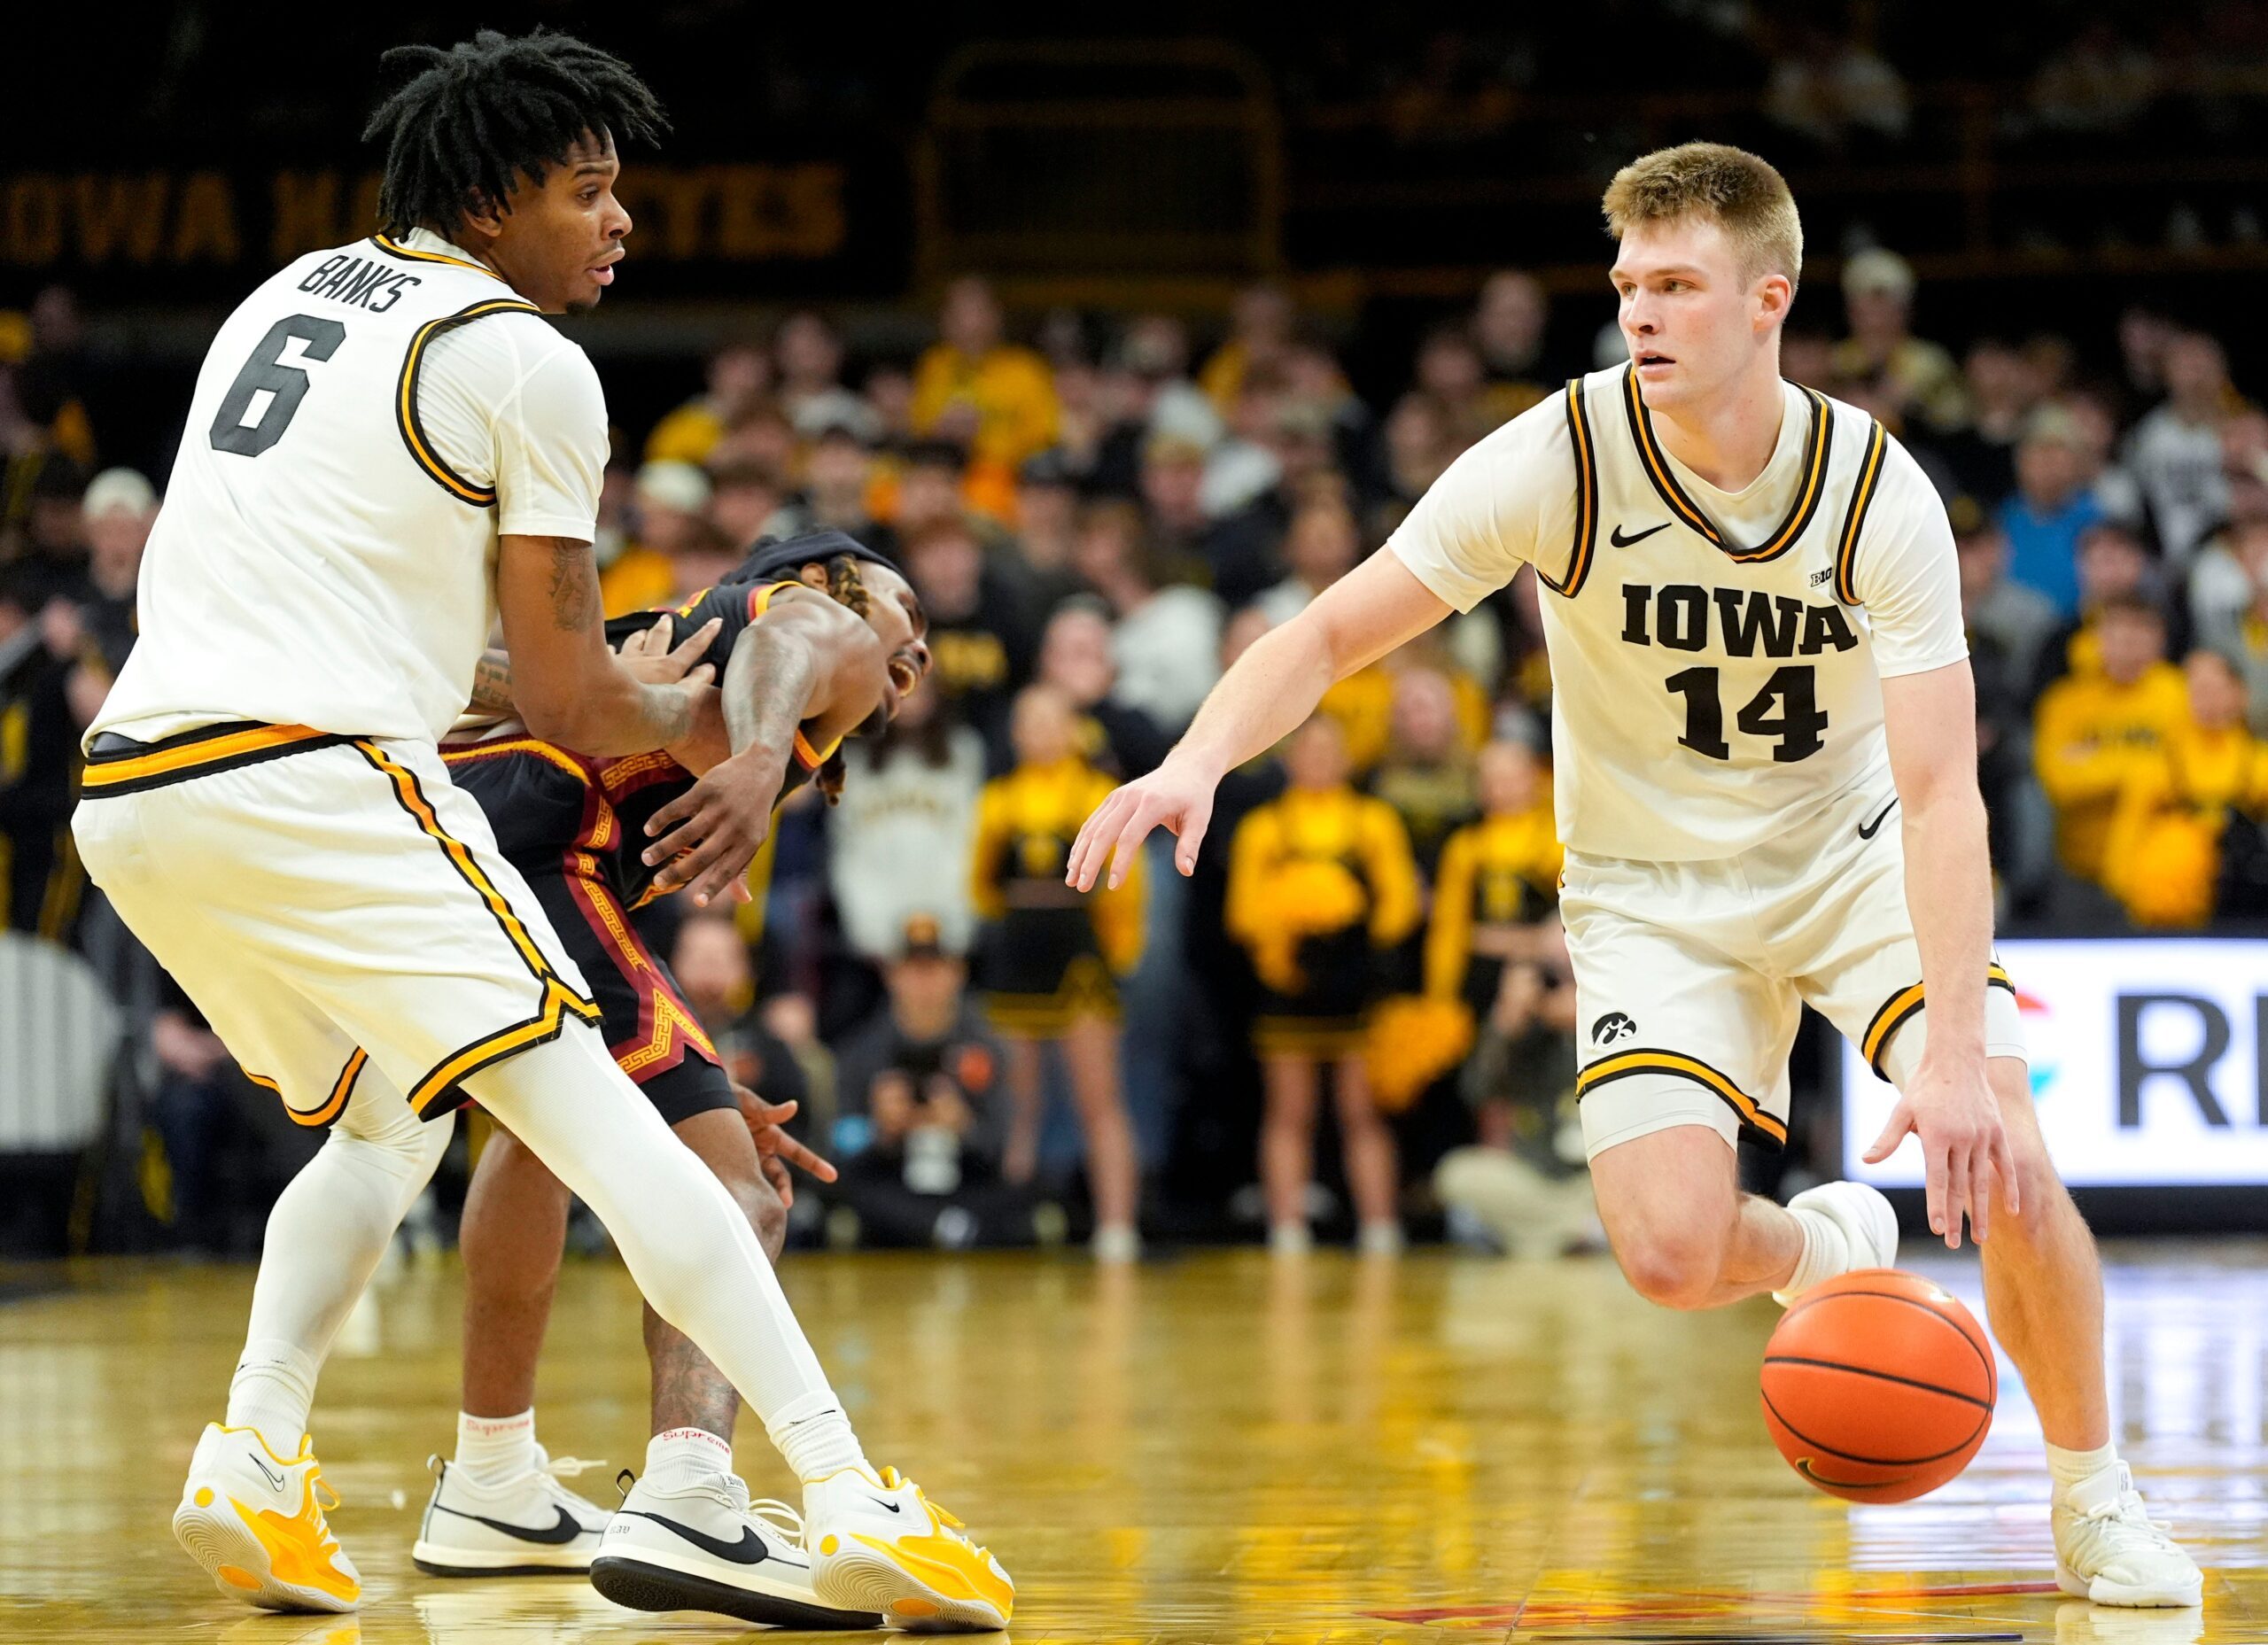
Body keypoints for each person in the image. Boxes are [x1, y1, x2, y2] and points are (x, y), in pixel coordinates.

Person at [1070, 141, 2198, 1607]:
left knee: (2016, 1164)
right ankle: (1825, 1239)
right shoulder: (1566, 456)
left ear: (1768, 301)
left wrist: (1966, 1056)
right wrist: (1196, 756)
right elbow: (1335, 633)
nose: (1640, 315)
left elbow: (1938, 791)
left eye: (1675, 285)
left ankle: (2095, 1496)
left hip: (1851, 857)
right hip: (1650, 888)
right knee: (1670, 1254)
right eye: (1626, 286)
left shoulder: (1876, 489)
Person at [68, 30, 1007, 1628]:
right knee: (630, 1148)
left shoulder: (281, 298)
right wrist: (679, 713)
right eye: (588, 190)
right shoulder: (521, 360)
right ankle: (837, 1495)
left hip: (142, 786)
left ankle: (260, 1454)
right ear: (496, 197)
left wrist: (577, 688)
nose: (618, 221)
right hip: (320, 781)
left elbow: (415, 638)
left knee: (386, 1122)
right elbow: (580, 699)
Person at [420, 532, 929, 1626]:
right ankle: (691, 1489)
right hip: (544, 848)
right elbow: (799, 639)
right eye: (903, 608)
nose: (916, 648)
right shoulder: (800, 619)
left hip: (445, 844)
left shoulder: (661, 641)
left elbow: (461, 673)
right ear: (834, 578)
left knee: (535, 1134)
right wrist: (754, 758)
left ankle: (489, 1477)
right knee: (733, 1193)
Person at [1223, 713, 1419, 1256]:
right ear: (1289, 760)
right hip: (1287, 986)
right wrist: (1286, 945)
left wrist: (1352, 935)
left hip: (1355, 986)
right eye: (1307, 750)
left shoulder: (1373, 821)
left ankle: (1380, 1228)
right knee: (1289, 1112)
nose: (1318, 760)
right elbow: (1243, 911)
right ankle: (1286, 1228)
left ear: (1347, 758)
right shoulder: (1264, 827)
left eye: (1329, 749)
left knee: (1363, 1112)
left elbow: (1399, 903)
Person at [969, 684, 1144, 1259]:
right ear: (1015, 733)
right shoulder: (998, 800)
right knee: (1018, 1100)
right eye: (1029, 721)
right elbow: (982, 887)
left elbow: (1126, 891)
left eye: (1052, 720)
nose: (1040, 733)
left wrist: (1113, 955)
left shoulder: (1099, 795)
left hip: (1080, 953)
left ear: (1073, 729)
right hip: (1020, 950)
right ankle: (1013, 1218)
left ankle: (1117, 1225)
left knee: (1100, 1096)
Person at [831, 915, 1029, 1247]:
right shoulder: (861, 1051)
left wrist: (964, 1127)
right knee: (843, 1192)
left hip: (967, 1184)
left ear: (957, 973)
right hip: (893, 1184)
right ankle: (948, 1228)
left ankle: (939, 1226)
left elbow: (1004, 1142)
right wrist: (880, 1130)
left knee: (1030, 1189)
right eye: (913, 969)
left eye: (935, 969)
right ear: (891, 975)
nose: (924, 983)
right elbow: (840, 1141)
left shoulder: (987, 1047)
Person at [2101, 648, 2268, 927]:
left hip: (2247, 896)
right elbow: (2129, 829)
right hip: (2173, 903)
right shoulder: (2159, 763)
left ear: (2240, 694)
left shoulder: (2257, 760)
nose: (2207, 699)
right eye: (2197, 689)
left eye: (2216, 688)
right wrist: (2122, 885)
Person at [2034, 594, 2188, 888]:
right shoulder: (2064, 701)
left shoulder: (2180, 694)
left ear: (2160, 640)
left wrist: (2094, 760)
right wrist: (2138, 769)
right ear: (2096, 636)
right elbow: (2059, 783)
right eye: (2117, 628)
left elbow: (2184, 778)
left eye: (2141, 629)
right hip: (2078, 868)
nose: (2128, 641)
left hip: (2159, 869)